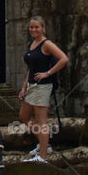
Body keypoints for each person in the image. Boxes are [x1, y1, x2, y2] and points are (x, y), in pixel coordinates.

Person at [18, 15, 69, 162]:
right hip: (31, 85)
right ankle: (44, 145)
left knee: (42, 122)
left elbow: (64, 59)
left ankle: (42, 156)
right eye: (31, 27)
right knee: (23, 117)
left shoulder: (47, 44)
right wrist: (24, 87)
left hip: (42, 87)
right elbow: (31, 68)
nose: (33, 29)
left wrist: (48, 73)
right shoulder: (31, 44)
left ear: (43, 28)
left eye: (36, 27)